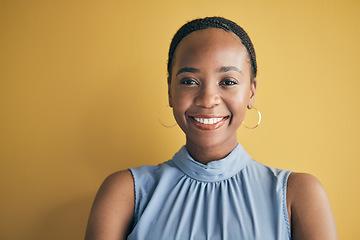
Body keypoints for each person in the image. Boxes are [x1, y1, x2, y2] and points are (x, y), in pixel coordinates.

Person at [85, 17, 337, 240]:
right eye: (189, 81)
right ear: (170, 91)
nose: (208, 98)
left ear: (251, 92)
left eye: (228, 81)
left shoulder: (298, 194)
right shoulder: (125, 192)